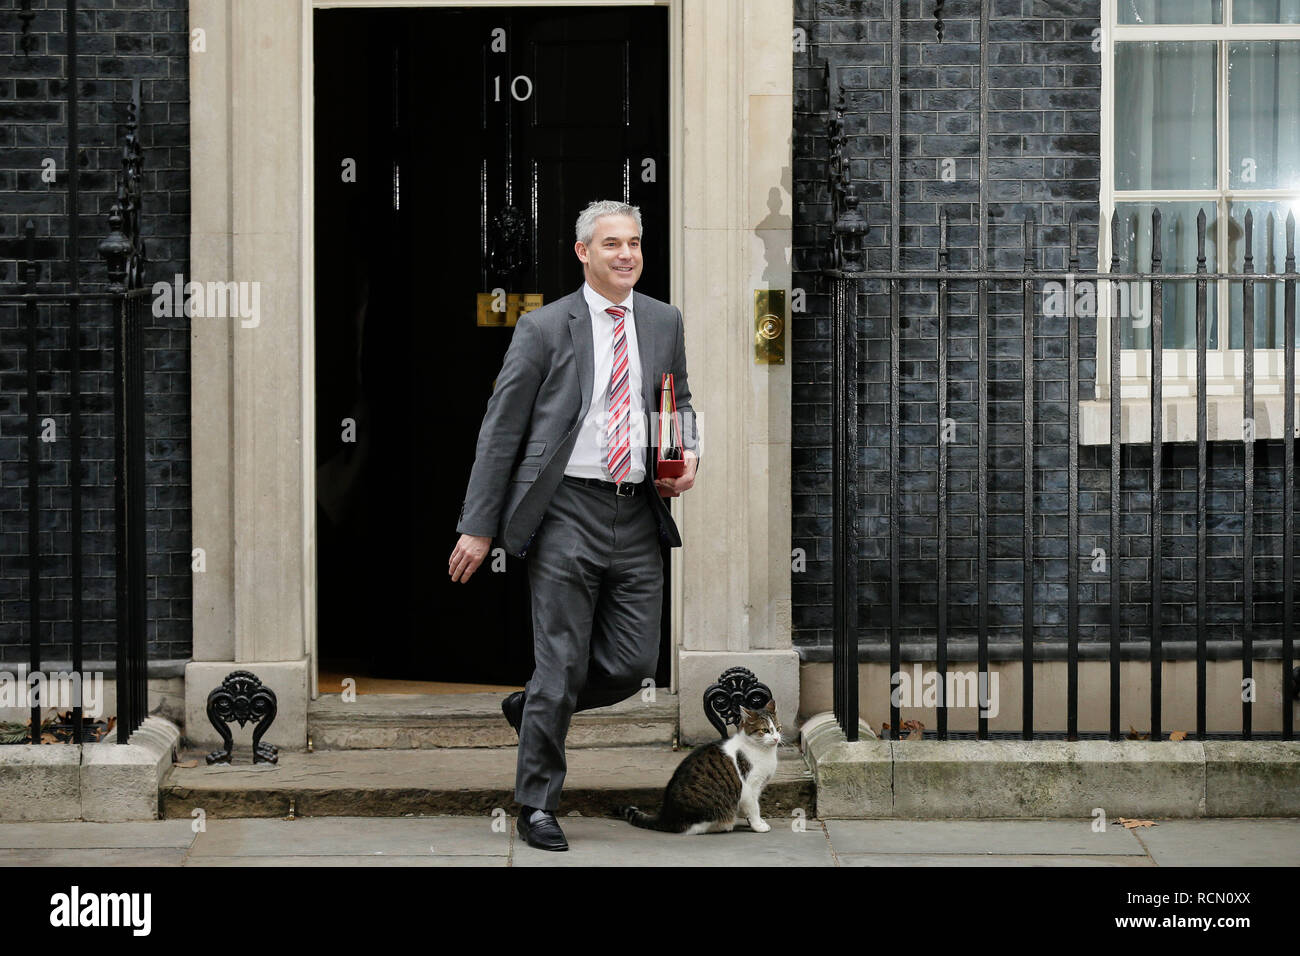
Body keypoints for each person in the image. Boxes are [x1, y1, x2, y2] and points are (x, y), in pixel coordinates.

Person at [448, 200, 700, 851]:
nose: (626, 254)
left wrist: (684, 453)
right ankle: (537, 803)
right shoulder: (542, 327)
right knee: (558, 665)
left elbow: (678, 399)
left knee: (633, 661)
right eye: (612, 243)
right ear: (584, 252)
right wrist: (478, 526)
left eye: (635, 243)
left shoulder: (664, 320)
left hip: (638, 508)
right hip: (565, 509)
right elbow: (500, 432)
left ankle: (531, 709)